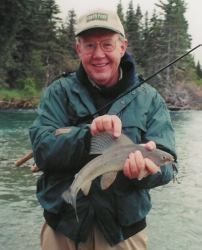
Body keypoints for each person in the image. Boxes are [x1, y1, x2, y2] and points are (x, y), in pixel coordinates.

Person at [29, 8, 177, 250]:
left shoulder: (151, 100)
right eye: (89, 46)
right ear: (79, 49)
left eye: (107, 45)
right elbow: (42, 150)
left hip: (122, 234)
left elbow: (170, 165)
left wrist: (148, 173)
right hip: (62, 230)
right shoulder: (58, 92)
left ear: (122, 46)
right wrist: (88, 136)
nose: (99, 54)